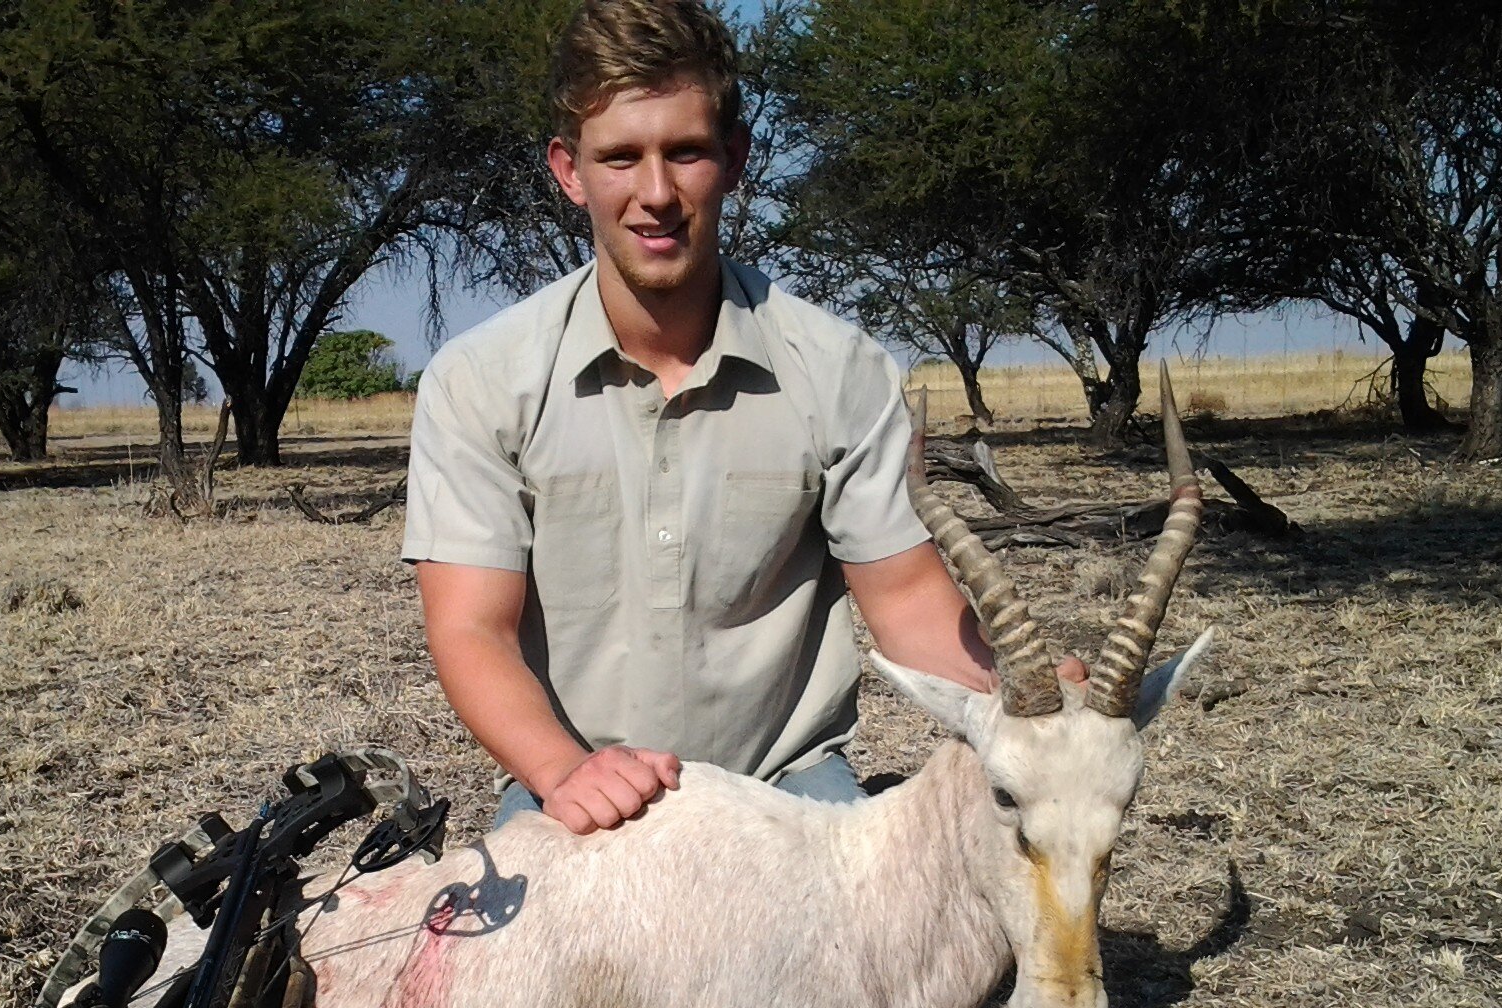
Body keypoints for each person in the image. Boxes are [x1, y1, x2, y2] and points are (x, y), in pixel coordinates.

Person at [402, 0, 1072, 834]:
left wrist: (1030, 692)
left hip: (785, 791)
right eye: (620, 158)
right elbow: (471, 629)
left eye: (684, 152)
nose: (655, 194)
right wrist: (565, 770)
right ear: (569, 171)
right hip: (580, 789)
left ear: (734, 157)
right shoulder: (477, 381)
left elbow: (908, 607)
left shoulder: (840, 370)